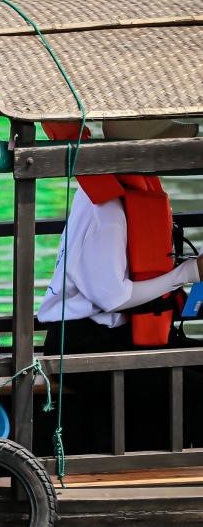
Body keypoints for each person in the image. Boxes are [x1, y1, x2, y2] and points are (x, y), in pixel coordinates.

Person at [37, 117, 202, 451]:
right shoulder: (107, 209)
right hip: (83, 343)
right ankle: (161, 471)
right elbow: (113, 296)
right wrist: (187, 274)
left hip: (117, 336)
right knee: (194, 388)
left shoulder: (122, 193)